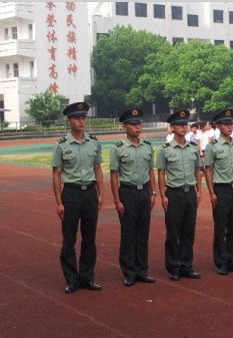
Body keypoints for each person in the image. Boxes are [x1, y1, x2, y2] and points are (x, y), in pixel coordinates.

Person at [51, 102, 104, 294]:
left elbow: (98, 168)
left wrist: (100, 194)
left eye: (84, 117)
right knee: (69, 239)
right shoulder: (61, 145)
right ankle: (72, 279)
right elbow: (57, 174)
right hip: (71, 194)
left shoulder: (94, 142)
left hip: (89, 192)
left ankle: (87, 278)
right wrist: (59, 202)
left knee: (90, 238)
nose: (81, 121)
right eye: (77, 118)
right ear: (69, 121)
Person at [110, 107, 157, 287]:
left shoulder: (147, 147)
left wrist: (153, 193)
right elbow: (114, 175)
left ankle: (142, 270)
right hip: (127, 192)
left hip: (144, 192)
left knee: (143, 232)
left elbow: (150, 171)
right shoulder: (118, 148)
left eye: (139, 124)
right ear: (125, 126)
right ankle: (129, 271)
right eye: (133, 124)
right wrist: (117, 200)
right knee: (129, 233)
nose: (138, 127)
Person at [156, 109, 203, 281]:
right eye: (180, 125)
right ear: (173, 127)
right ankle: (173, 266)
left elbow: (198, 170)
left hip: (190, 192)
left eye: (186, 124)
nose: (184, 127)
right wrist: (163, 195)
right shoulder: (165, 149)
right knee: (173, 233)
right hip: (174, 194)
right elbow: (161, 173)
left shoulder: (193, 148)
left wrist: (199, 190)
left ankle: (187, 265)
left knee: (188, 232)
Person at [204, 109, 233, 276]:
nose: (230, 127)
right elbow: (208, 170)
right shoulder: (212, 147)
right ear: (219, 126)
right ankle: (221, 261)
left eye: (231, 123)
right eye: (226, 124)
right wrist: (211, 192)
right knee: (221, 228)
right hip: (220, 189)